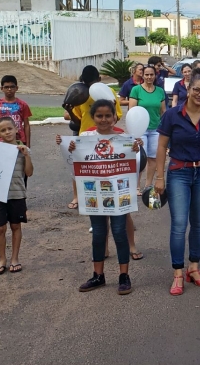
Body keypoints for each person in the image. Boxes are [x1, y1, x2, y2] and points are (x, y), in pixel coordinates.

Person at [60, 99, 141, 295]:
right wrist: (68, 147)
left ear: (115, 117)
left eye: (107, 116)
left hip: (118, 194)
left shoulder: (124, 138)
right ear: (93, 117)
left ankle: (124, 275)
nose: (104, 120)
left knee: (119, 231)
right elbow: (73, 160)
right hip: (94, 194)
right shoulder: (86, 136)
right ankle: (98, 275)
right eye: (99, 116)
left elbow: (135, 162)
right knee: (98, 233)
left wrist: (137, 147)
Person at [155, 74, 200, 296]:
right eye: (197, 90)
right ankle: (178, 273)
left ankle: (194, 267)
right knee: (179, 224)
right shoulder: (173, 115)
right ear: (188, 89)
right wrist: (159, 177)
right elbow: (162, 147)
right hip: (179, 172)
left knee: (199, 224)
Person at [62, 65, 123, 209]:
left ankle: (109, 195)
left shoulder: (110, 92)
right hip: (85, 136)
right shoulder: (80, 94)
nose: (89, 87)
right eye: (86, 83)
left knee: (106, 168)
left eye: (92, 83)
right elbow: (77, 121)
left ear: (99, 80)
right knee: (79, 168)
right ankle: (78, 197)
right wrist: (70, 110)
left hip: (107, 136)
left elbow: (117, 117)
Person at [0, 117, 34, 274]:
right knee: (0, 228)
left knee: (16, 226)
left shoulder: (23, 150)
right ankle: (2, 259)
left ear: (16, 129)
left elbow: (29, 172)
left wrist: (26, 155)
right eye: (3, 130)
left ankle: (14, 258)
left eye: (10, 128)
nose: (7, 132)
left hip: (17, 194)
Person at [128, 65, 167, 194]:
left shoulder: (160, 91)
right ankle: (136, 186)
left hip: (156, 129)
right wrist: (133, 131)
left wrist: (165, 127)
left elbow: (163, 111)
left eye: (152, 74)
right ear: (142, 76)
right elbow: (131, 111)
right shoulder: (136, 90)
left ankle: (148, 185)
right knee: (139, 158)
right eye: (147, 74)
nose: (149, 77)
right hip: (140, 129)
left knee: (153, 158)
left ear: (155, 75)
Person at [0, 75, 32, 147]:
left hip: (19, 141)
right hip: (2, 141)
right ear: (2, 88)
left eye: (12, 87)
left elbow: (26, 125)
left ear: (16, 88)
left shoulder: (23, 105)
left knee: (20, 158)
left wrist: (28, 144)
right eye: (6, 87)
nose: (9, 89)